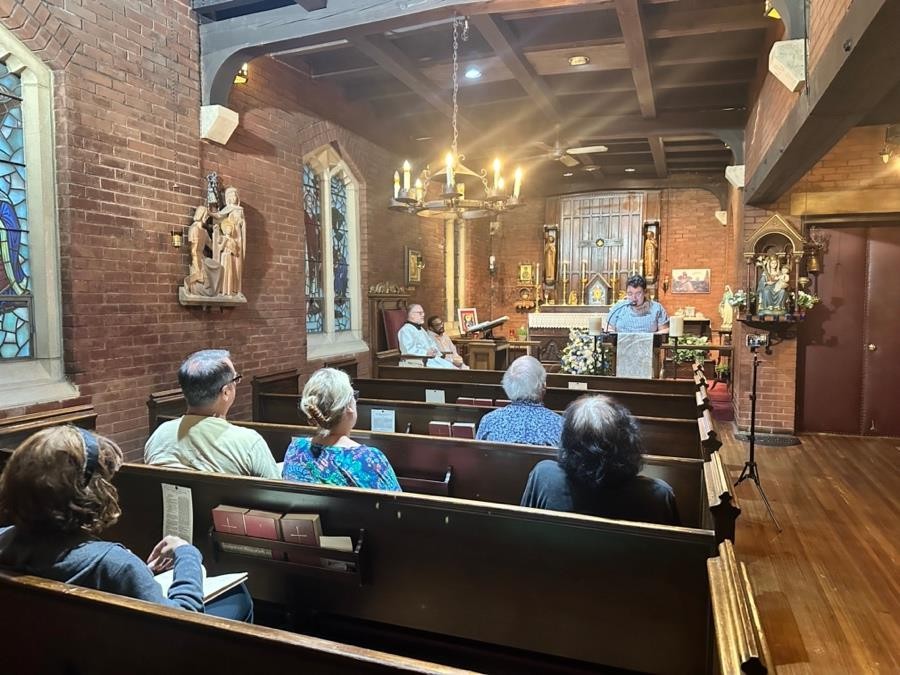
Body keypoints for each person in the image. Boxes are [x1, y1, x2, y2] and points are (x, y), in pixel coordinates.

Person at [0, 426, 253, 621]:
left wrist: (140, 574)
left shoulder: (4, 539)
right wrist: (187, 554)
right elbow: (183, 619)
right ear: (91, 491)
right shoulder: (113, 565)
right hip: (124, 656)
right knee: (239, 597)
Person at [520, 396, 679, 525]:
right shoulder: (658, 495)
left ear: (568, 443)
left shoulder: (544, 476)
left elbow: (524, 531)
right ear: (628, 441)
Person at [144, 349, 281, 479]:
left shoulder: (159, 435)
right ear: (226, 392)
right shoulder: (248, 443)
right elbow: (278, 491)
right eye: (235, 379)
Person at [282, 368, 401, 491]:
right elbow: (396, 501)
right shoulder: (369, 459)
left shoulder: (296, 448)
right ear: (349, 406)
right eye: (353, 396)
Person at [476, 356, 563, 446]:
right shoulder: (559, 425)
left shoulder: (489, 421)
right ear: (542, 387)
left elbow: (478, 453)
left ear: (508, 385)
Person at [397, 304, 457, 368]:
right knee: (450, 370)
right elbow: (408, 351)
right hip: (417, 362)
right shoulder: (405, 330)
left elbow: (431, 343)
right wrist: (426, 352)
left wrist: (434, 350)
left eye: (423, 312)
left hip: (430, 359)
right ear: (412, 315)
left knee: (453, 367)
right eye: (420, 313)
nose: (423, 315)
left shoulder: (421, 329)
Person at [212, 186, 245, 296]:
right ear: (228, 198)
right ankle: (227, 287)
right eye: (231, 196)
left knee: (237, 264)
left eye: (235, 195)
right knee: (229, 265)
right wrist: (209, 213)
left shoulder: (240, 209)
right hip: (230, 234)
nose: (233, 198)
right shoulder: (228, 209)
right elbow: (218, 216)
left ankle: (237, 288)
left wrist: (242, 223)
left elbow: (243, 224)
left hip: (238, 238)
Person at [183, 205, 222, 297]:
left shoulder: (204, 231)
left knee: (219, 267)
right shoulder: (194, 229)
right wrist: (197, 265)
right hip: (197, 257)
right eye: (206, 215)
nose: (207, 217)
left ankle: (213, 289)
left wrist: (218, 236)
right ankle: (190, 283)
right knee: (201, 276)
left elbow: (212, 246)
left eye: (208, 216)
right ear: (201, 214)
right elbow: (193, 250)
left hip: (202, 257)